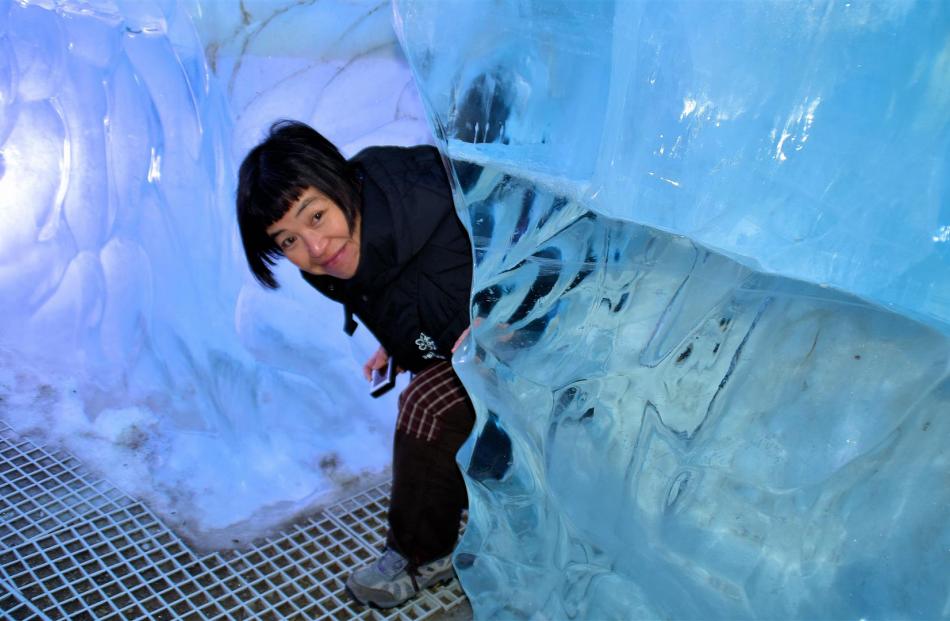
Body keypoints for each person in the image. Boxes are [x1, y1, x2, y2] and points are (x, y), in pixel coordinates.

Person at [235, 120, 475, 608]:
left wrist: (505, 308)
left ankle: (419, 556)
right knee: (427, 396)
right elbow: (398, 289)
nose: (315, 249)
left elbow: (535, 235)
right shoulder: (334, 261)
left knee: (426, 406)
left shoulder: (434, 199)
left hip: (540, 333)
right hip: (462, 348)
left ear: (340, 181)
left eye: (316, 216)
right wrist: (398, 343)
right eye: (287, 242)